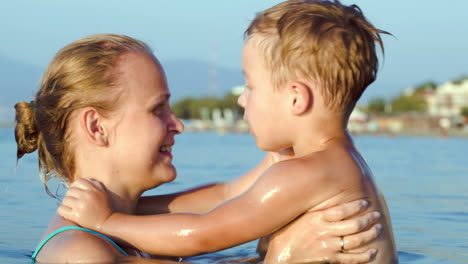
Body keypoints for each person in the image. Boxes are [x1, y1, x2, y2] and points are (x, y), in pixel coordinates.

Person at [59, 0, 398, 263]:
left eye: (251, 86)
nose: (241, 98)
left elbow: (202, 235)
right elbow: (223, 196)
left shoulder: (302, 173)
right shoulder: (335, 164)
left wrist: (107, 221)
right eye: (157, 109)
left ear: (296, 97)